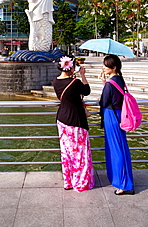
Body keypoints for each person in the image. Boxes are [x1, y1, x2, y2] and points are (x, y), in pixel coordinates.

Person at [53, 56, 94, 192]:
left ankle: (68, 182)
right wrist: (82, 75)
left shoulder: (55, 81)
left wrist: (73, 75)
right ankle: (81, 182)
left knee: (66, 153)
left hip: (62, 120)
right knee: (79, 153)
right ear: (70, 67)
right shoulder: (75, 82)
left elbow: (67, 85)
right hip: (76, 120)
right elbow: (86, 91)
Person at [99, 54, 134, 195]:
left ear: (113, 68)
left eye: (105, 66)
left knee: (116, 150)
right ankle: (124, 181)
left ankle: (124, 185)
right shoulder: (119, 80)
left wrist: (104, 85)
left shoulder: (110, 83)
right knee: (121, 147)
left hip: (111, 118)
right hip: (119, 116)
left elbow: (104, 102)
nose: (103, 68)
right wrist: (104, 82)